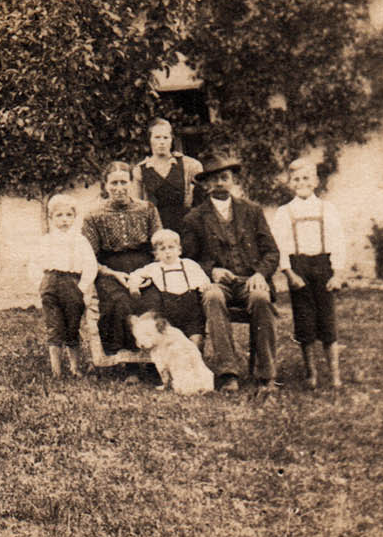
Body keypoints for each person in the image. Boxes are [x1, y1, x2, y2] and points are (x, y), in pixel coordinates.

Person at [182, 156, 282, 391]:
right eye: (214, 179)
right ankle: (228, 373)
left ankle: (266, 374)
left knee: (260, 298)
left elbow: (272, 252)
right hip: (219, 284)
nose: (219, 183)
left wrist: (260, 275)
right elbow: (188, 259)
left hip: (250, 279)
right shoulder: (194, 218)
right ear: (206, 185)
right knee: (213, 297)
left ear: (233, 181)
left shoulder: (252, 211)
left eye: (224, 178)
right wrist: (211, 270)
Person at [269, 158, 347, 389]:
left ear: (315, 181)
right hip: (298, 268)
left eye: (306, 178)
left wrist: (338, 273)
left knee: (327, 321)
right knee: (304, 322)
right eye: (296, 179)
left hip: (323, 266)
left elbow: (338, 241)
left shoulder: (327, 209)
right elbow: (280, 246)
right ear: (290, 183)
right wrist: (289, 273)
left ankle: (335, 375)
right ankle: (310, 373)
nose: (301, 182)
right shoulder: (285, 212)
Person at [80, 161, 161, 355]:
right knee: (120, 303)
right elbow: (88, 257)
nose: (119, 188)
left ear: (132, 183)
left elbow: (159, 245)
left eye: (123, 182)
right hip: (110, 271)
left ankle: (153, 360)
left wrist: (149, 273)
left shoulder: (148, 209)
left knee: (154, 301)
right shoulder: (93, 216)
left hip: (146, 268)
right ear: (105, 185)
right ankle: (128, 360)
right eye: (113, 183)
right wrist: (113, 274)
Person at [26, 192, 97, 377]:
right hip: (51, 283)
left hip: (73, 284)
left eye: (68, 215)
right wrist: (40, 283)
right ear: (50, 218)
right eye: (59, 215)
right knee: (54, 326)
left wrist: (82, 286)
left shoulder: (80, 240)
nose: (64, 220)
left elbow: (90, 265)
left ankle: (75, 367)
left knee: (72, 326)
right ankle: (56, 370)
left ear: (74, 217)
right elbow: (34, 263)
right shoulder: (46, 240)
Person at [124, 227, 210, 341]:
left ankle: (195, 355)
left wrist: (204, 285)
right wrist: (134, 286)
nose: (167, 251)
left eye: (171, 247)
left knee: (197, 340)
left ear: (179, 250)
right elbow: (136, 275)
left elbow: (203, 279)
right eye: (162, 249)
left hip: (192, 313)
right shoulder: (154, 268)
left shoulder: (189, 265)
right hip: (169, 314)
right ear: (156, 254)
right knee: (171, 341)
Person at [134, 118, 203, 234]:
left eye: (166, 137)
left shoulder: (190, 165)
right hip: (157, 229)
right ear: (150, 140)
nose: (162, 142)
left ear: (171, 140)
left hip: (186, 226)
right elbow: (137, 207)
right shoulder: (140, 170)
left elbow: (202, 199)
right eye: (157, 137)